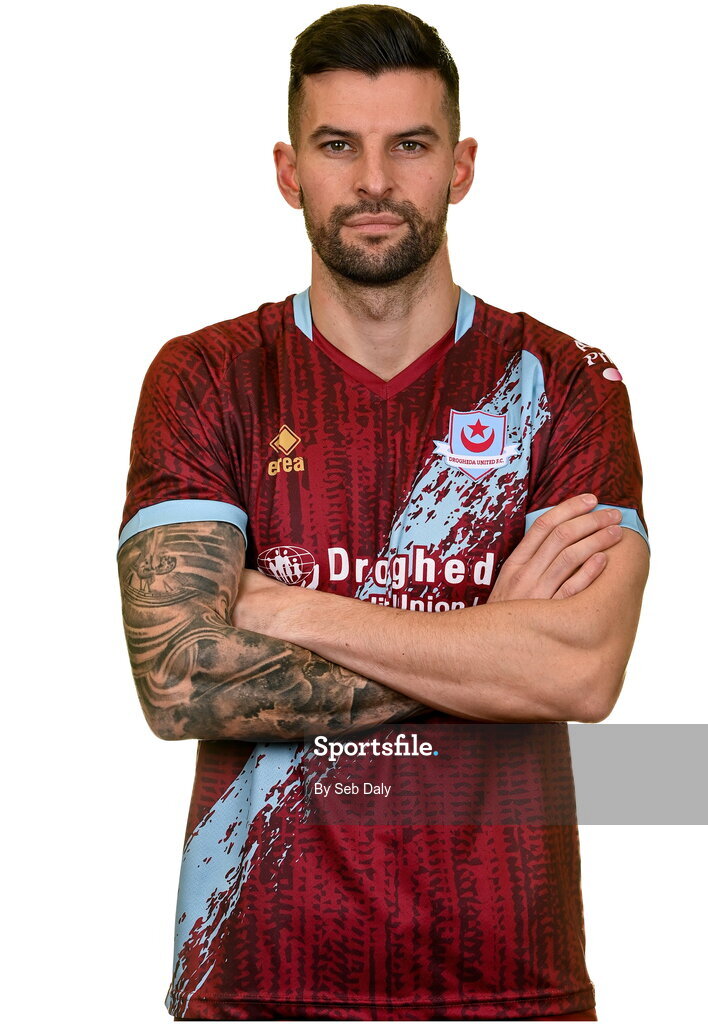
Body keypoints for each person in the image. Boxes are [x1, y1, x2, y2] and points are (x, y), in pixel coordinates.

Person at [117, 5, 649, 1020]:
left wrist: (283, 607)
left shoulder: (567, 381)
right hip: (261, 977)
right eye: (337, 146)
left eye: (409, 144)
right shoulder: (207, 377)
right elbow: (179, 680)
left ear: (462, 165)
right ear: (287, 171)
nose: (373, 180)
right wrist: (496, 647)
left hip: (511, 982)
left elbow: (583, 669)